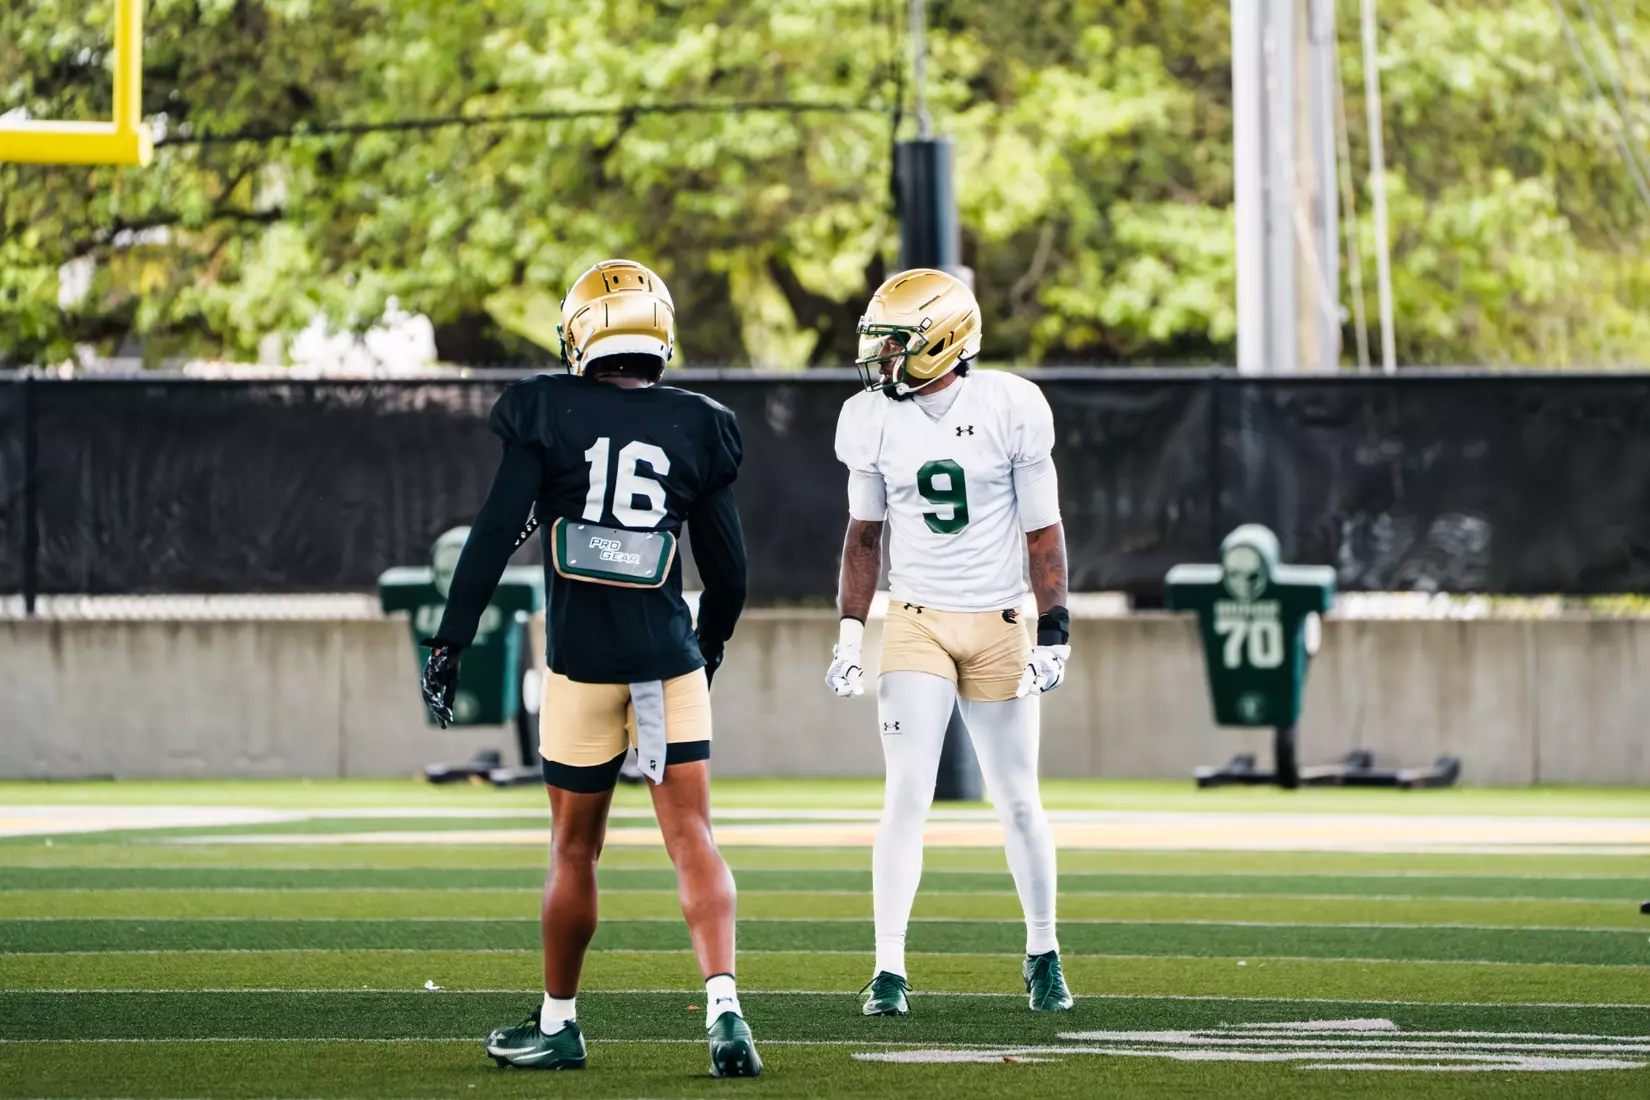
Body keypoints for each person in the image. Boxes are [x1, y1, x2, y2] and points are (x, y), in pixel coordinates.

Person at [419, 259, 761, 1076]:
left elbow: (493, 536)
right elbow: (732, 572)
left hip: (581, 670)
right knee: (695, 840)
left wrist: (450, 640)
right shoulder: (699, 423)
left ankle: (561, 1022)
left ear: (581, 334)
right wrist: (705, 648)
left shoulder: (548, 411)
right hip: (666, 662)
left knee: (575, 851)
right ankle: (724, 1011)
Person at [825, 267, 1074, 1017]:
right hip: (918, 619)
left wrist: (1054, 630)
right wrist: (848, 632)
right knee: (905, 793)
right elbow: (864, 537)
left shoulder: (1010, 404)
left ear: (942, 342)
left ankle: (1043, 953)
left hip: (999, 619)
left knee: (1018, 799)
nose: (884, 361)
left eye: (897, 345)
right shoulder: (870, 418)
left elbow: (1044, 531)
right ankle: (890, 969)